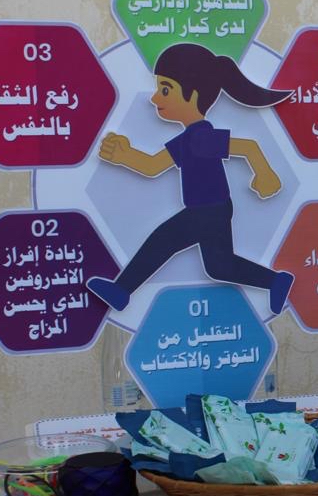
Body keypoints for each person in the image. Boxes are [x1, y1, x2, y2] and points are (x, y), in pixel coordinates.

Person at [87, 43, 294, 314]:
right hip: (213, 209)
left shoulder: (199, 138)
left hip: (207, 211)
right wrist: (124, 156)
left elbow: (248, 147)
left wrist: (265, 175)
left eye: (165, 90)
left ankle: (122, 290)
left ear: (192, 95)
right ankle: (276, 281)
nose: (154, 99)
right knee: (220, 267)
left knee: (163, 240)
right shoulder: (190, 138)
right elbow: (152, 166)